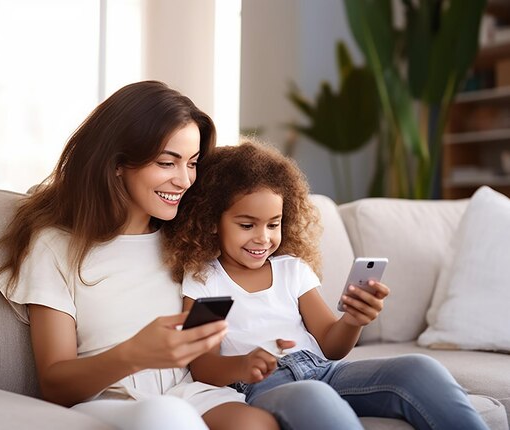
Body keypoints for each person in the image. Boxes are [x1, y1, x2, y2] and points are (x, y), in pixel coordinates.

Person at [0, 81, 278, 430]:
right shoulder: (56, 247)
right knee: (169, 418)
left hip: (189, 392)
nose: (185, 180)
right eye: (167, 163)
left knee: (256, 423)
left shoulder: (188, 240)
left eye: (192, 163)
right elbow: (55, 384)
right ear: (117, 164)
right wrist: (135, 353)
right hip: (109, 401)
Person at [161, 140, 489, 430]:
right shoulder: (206, 279)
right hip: (266, 385)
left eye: (273, 224)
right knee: (312, 395)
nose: (262, 238)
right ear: (212, 222)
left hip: (323, 369)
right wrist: (243, 366)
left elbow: (331, 346)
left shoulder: (292, 271)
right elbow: (202, 366)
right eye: (247, 225)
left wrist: (353, 320)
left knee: (419, 369)